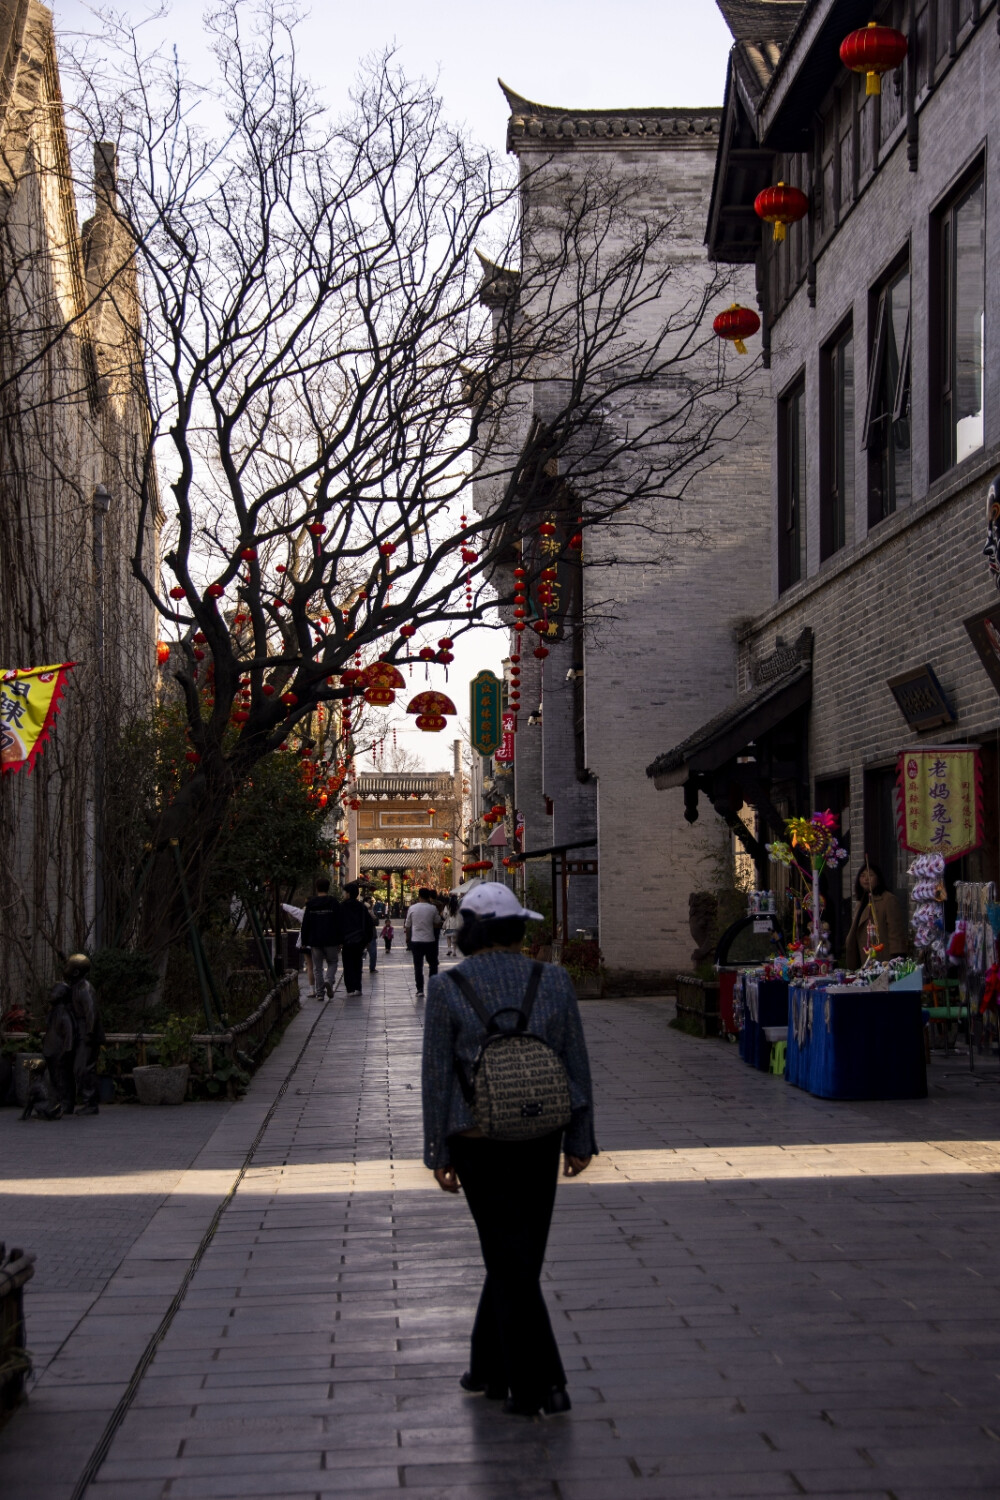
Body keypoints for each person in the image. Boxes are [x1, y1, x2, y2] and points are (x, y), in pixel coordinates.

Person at [421, 883, 596, 1418]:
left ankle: (536, 1384)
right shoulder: (554, 980)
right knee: (518, 1258)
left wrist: (438, 1152)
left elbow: (434, 1077)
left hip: (477, 1139)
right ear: (519, 927)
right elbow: (575, 1059)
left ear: (470, 929)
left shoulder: (447, 988)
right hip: (541, 1131)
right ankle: (489, 1366)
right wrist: (580, 1136)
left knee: (509, 1258)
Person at [845, 859, 908, 969]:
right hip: (863, 957)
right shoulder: (861, 901)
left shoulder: (888, 899)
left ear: (878, 879)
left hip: (882, 958)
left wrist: (896, 958)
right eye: (862, 875)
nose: (866, 879)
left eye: (870, 875)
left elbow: (895, 932)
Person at [64, 954, 104, 1114]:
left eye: (68, 966)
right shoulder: (75, 986)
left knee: (84, 1068)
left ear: (75, 972)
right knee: (78, 1067)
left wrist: (89, 1032)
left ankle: (91, 1103)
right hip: (79, 1031)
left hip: (86, 1032)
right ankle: (79, 1100)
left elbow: (91, 1013)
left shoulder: (84, 988)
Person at [300, 878, 342, 998]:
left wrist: (304, 940)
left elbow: (306, 923)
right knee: (333, 962)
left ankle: (320, 993)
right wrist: (340, 940)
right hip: (331, 939)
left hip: (315, 940)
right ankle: (328, 980)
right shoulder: (333, 903)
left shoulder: (311, 904)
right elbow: (339, 922)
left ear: (317, 888)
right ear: (328, 888)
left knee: (317, 967)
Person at [405, 887, 443, 995]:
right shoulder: (432, 908)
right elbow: (437, 922)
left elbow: (408, 925)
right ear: (428, 896)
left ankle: (420, 989)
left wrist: (407, 937)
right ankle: (432, 986)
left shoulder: (412, 908)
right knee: (433, 964)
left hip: (416, 940)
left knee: (418, 966)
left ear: (419, 896)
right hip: (429, 940)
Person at [340, 883, 376, 994]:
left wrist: (338, 940)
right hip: (359, 940)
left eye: (344, 892)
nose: (343, 894)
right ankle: (357, 987)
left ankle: (350, 988)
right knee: (357, 963)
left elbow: (337, 924)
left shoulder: (341, 907)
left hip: (346, 940)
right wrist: (367, 940)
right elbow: (369, 924)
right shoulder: (362, 907)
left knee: (347, 964)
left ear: (348, 893)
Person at [364, 900, 379, 974]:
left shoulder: (373, 912)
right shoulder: (360, 912)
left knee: (373, 953)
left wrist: (372, 915)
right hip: (362, 936)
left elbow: (377, 923)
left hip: (372, 935)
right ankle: (358, 968)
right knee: (360, 954)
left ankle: (372, 968)